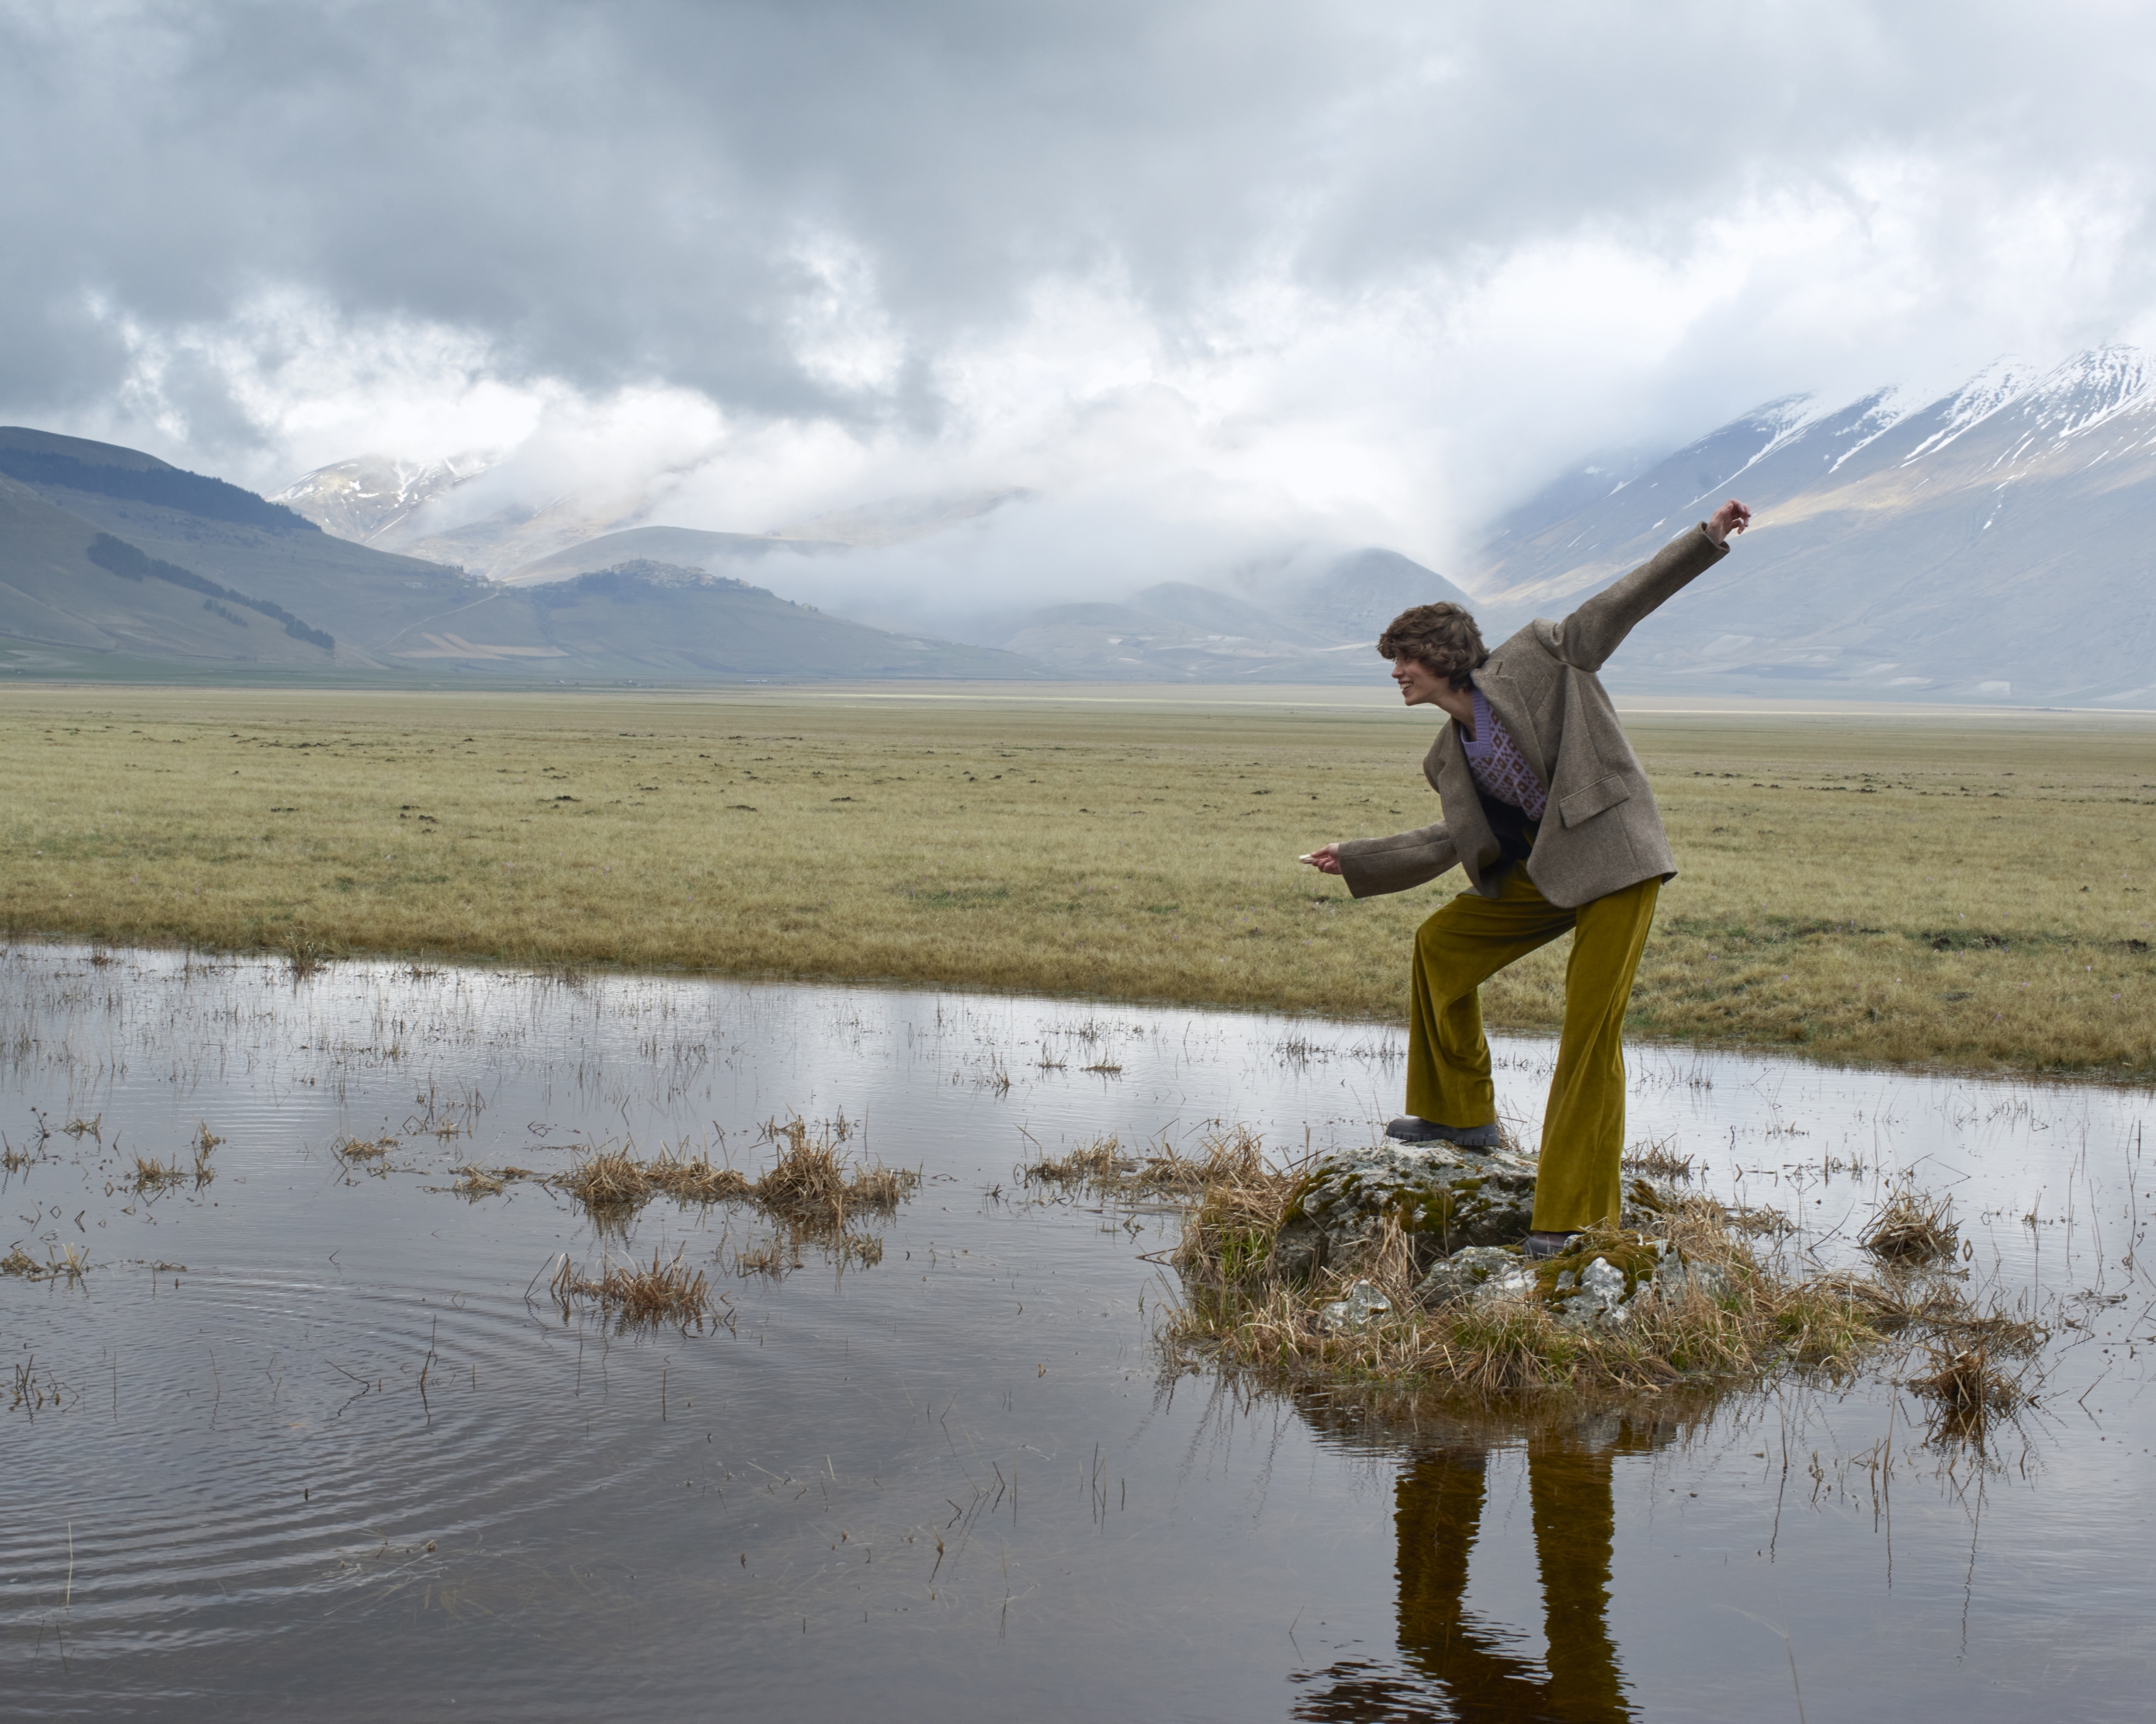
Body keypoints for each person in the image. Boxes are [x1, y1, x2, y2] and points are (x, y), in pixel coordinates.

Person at [1302, 500, 1752, 1259]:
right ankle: (1461, 1113)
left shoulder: (1540, 655)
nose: (1394, 672)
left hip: (1615, 858)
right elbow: (1455, 838)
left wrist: (1705, 541)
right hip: (1547, 872)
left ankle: (1573, 1214)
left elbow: (1619, 604)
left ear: (1440, 656)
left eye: (1402, 659)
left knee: (1588, 1031)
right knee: (1442, 943)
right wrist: (1357, 857)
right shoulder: (1449, 752)